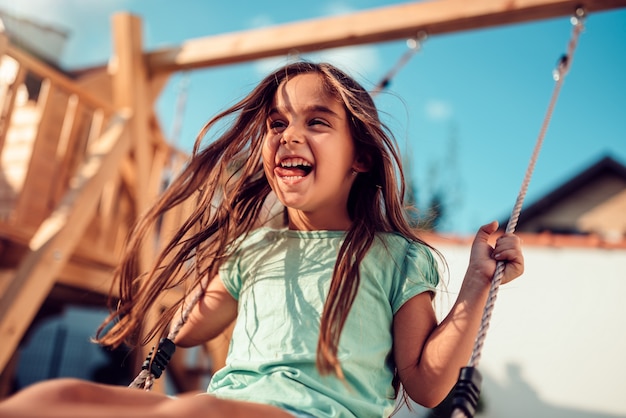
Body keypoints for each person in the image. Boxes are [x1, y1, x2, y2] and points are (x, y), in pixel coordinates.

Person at [0, 61, 523, 418]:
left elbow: (427, 384)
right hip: (231, 406)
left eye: (317, 122)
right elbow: (186, 330)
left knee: (196, 409)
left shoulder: (396, 257)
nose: (289, 135)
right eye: (277, 123)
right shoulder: (255, 249)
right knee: (60, 395)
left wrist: (477, 284)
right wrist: (212, 247)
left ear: (360, 158)